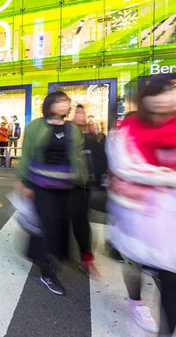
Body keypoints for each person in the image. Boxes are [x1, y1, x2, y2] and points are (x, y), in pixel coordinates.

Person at [106, 77, 176, 334]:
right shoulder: (129, 128)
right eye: (157, 98)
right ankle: (135, 299)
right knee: (134, 259)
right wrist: (167, 177)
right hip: (136, 209)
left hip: (170, 214)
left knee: (171, 273)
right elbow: (125, 167)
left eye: (168, 95)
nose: (164, 102)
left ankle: (167, 329)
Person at [17, 91, 87, 296]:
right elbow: (27, 154)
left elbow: (78, 158)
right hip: (41, 186)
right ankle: (46, 271)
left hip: (67, 187)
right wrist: (25, 182)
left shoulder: (73, 130)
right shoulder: (36, 126)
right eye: (60, 101)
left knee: (62, 225)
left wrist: (82, 181)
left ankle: (56, 258)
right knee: (44, 226)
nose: (65, 105)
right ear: (49, 104)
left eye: (66, 102)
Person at [70, 104, 102, 279]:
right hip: (65, 183)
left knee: (81, 221)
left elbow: (99, 159)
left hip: (83, 186)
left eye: (82, 113)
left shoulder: (91, 136)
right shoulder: (67, 133)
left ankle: (86, 258)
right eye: (77, 113)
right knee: (60, 219)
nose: (80, 115)